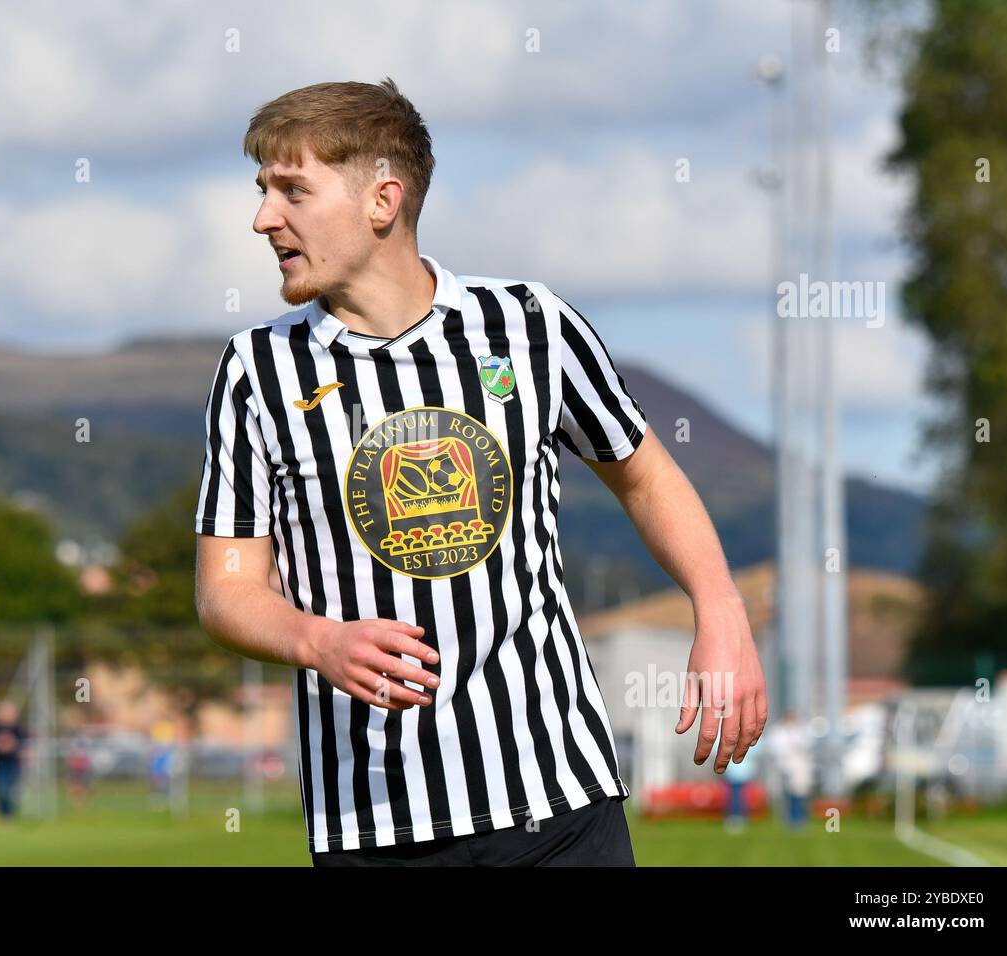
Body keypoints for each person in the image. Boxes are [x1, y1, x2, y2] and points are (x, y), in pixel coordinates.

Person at [193, 78, 768, 866]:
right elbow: (225, 589)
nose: (264, 218)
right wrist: (317, 640)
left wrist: (720, 607)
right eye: (262, 192)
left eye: (292, 190)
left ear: (382, 201)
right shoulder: (258, 370)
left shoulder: (531, 326)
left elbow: (643, 474)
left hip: (557, 803)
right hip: (374, 828)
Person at [0, 700, 27, 821]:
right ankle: (2, 814)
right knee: (0, 789)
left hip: (13, 764)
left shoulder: (17, 728)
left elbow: (24, 742)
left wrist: (12, 746)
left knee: (11, 790)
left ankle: (10, 814)